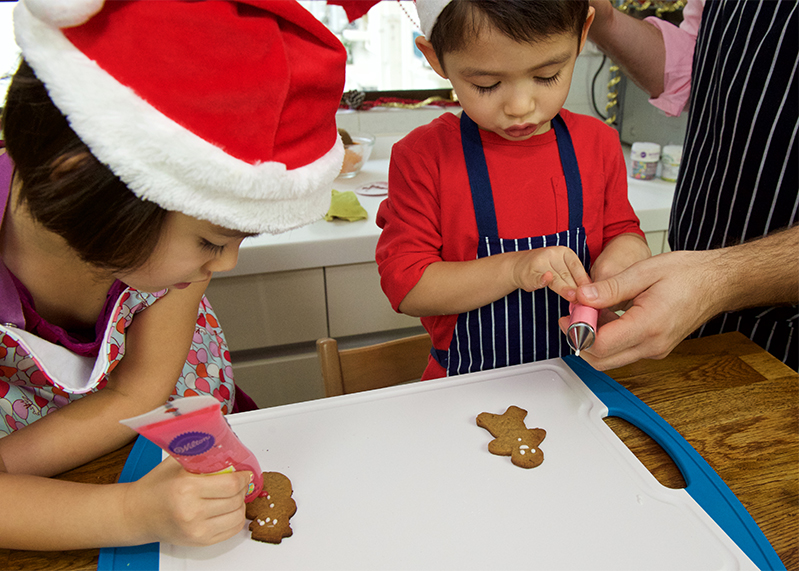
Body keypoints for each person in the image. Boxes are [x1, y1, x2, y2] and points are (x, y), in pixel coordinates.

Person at [0, 0, 345, 550]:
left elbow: (139, 390)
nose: (225, 263)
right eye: (211, 240)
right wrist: (131, 512)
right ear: (80, 185)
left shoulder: (167, 259)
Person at [375, 0, 650, 379]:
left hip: (581, 378)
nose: (521, 107)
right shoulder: (423, 157)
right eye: (486, 84)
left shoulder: (598, 144)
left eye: (547, 75)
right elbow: (406, 286)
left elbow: (624, 232)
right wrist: (515, 269)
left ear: (583, 34)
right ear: (435, 57)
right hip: (464, 385)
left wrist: (623, 259)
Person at [562, 0, 798, 371]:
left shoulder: (593, 142)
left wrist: (718, 278)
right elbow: (696, 68)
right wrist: (604, 19)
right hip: (691, 304)